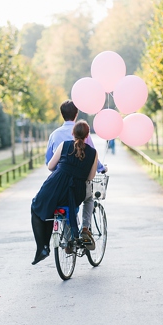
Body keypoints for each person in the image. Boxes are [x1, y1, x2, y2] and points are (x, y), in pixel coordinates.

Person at [31, 120, 98, 264]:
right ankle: (84, 227)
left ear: (72, 133)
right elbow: (91, 177)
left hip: (55, 186)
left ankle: (42, 247)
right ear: (87, 135)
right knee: (86, 199)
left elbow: (50, 166)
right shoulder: (93, 153)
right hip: (77, 191)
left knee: (37, 206)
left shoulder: (64, 145)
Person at [46, 100, 107, 250]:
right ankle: (85, 228)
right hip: (79, 184)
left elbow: (49, 162)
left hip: (59, 184)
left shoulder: (54, 135)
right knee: (88, 198)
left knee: (63, 203)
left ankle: (67, 237)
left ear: (61, 114)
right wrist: (102, 168)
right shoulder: (83, 132)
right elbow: (92, 157)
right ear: (76, 114)